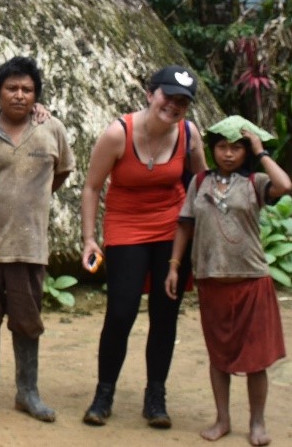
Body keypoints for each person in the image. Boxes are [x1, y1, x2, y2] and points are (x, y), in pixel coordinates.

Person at [79, 65, 207, 428]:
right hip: (126, 226)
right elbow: (92, 188)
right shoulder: (118, 134)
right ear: (151, 94)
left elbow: (201, 184)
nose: (173, 105)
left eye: (182, 100)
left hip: (172, 227)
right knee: (121, 312)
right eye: (168, 96)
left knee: (165, 314)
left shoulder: (188, 134)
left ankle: (156, 397)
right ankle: (104, 394)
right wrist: (89, 239)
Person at [0, 56, 74, 423]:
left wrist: (30, 201)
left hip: (29, 246)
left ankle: (27, 392)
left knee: (27, 321)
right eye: (12, 88)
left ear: (36, 95)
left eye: (27, 89)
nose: (19, 95)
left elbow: (62, 172)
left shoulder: (51, 128)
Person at [164, 122, 291, 447]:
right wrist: (174, 266)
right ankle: (222, 419)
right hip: (212, 281)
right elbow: (184, 226)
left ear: (245, 151)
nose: (228, 153)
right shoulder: (199, 182)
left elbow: (285, 186)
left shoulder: (254, 182)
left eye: (236, 147)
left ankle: (257, 422)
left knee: (256, 359)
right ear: (213, 149)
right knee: (218, 356)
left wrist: (261, 151)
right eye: (222, 147)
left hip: (251, 281)